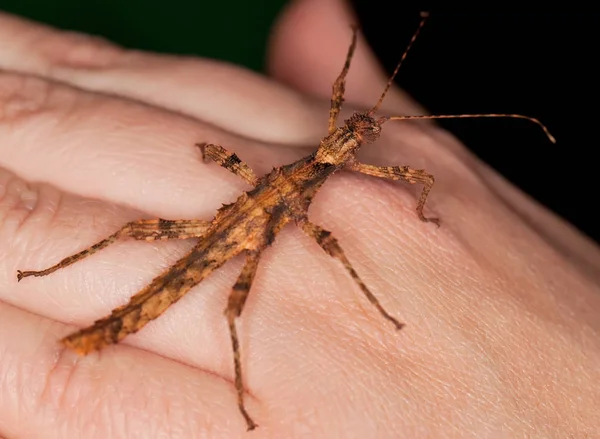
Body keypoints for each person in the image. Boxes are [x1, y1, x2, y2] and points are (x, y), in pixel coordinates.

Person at [1, 0, 598, 436]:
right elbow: (408, 171)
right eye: (357, 128)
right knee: (153, 248)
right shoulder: (324, 169)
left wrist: (386, 298)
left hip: (241, 234)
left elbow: (415, 176)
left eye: (360, 132)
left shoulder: (319, 171)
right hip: (234, 233)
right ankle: (63, 281)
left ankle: (208, 371)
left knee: (226, 301)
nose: (357, 131)